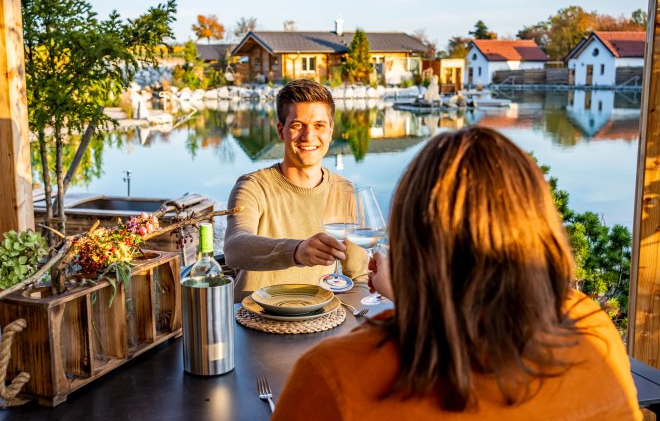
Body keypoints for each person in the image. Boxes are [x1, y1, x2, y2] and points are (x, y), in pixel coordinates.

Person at [272, 127, 641, 420]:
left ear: (411, 234)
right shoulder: (591, 327)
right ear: (540, 228)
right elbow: (478, 309)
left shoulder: (338, 375)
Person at [224, 79, 349, 299]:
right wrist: (297, 251)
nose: (308, 136)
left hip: (320, 322)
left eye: (319, 125)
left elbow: (358, 276)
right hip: (253, 321)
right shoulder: (253, 186)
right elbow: (234, 248)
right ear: (281, 131)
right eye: (297, 125)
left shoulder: (344, 191)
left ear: (330, 132)